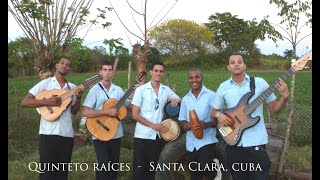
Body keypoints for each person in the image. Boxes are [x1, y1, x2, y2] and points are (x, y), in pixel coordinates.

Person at [211, 52, 289, 180]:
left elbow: (274, 109)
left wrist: (284, 97)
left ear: (244, 66)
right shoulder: (223, 87)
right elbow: (213, 112)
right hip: (233, 145)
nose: (236, 64)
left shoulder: (260, 83)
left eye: (239, 62)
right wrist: (219, 115)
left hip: (256, 143)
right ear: (228, 67)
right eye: (232, 62)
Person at [21, 57, 83, 180]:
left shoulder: (72, 87)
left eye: (68, 65)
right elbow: (25, 102)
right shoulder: (46, 83)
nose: (64, 66)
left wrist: (80, 98)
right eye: (62, 63)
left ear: (70, 70)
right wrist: (47, 101)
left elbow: (74, 112)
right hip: (48, 133)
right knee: (47, 173)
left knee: (62, 173)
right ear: (56, 65)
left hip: (67, 134)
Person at [81, 60, 135, 180]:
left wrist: (140, 104)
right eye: (104, 70)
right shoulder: (94, 90)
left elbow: (127, 105)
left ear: (113, 72)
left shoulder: (118, 90)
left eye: (110, 70)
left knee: (114, 165)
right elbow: (85, 112)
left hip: (115, 133)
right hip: (99, 131)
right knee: (104, 164)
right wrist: (106, 111)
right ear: (100, 72)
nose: (107, 73)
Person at [131, 61, 180, 180]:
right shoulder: (141, 90)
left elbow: (178, 98)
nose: (158, 73)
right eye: (156, 70)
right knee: (139, 171)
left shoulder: (166, 89)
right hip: (142, 136)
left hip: (158, 136)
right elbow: (135, 115)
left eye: (161, 71)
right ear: (151, 72)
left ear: (163, 73)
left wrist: (176, 100)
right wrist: (153, 126)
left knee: (152, 171)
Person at [178, 68, 221, 180]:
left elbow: (217, 119)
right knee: (194, 174)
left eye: (197, 77)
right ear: (188, 80)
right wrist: (185, 125)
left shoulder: (211, 95)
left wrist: (205, 125)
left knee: (203, 167)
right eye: (191, 77)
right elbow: (182, 119)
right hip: (191, 142)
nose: (194, 80)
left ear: (202, 78)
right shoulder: (186, 99)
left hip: (207, 140)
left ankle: (215, 168)